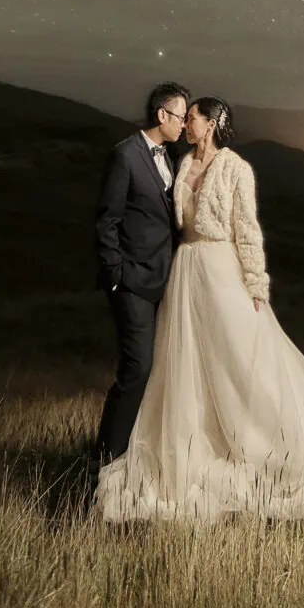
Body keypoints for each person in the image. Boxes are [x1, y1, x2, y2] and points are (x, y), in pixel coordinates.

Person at [95, 96, 304, 521]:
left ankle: (260, 446)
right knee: (186, 366)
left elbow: (247, 229)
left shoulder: (236, 169)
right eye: (184, 117)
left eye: (194, 118)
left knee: (236, 359)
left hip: (221, 270)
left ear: (212, 123)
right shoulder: (182, 165)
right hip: (186, 273)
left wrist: (255, 282)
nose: (187, 125)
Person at [93, 81, 190, 463]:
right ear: (161, 114)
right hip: (132, 281)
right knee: (138, 368)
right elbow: (107, 220)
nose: (183, 124)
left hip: (165, 280)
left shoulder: (171, 155)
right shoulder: (125, 155)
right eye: (180, 116)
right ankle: (105, 459)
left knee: (160, 368)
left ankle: (140, 453)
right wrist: (116, 274)